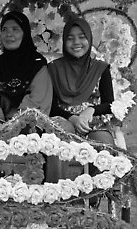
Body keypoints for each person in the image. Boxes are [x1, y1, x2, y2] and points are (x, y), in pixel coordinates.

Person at [46, 13, 115, 182]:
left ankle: (90, 197)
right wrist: (72, 118)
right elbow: (51, 105)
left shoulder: (100, 68)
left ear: (89, 39)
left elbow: (109, 103)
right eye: (70, 38)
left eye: (82, 37)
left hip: (93, 122)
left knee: (104, 146)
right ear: (64, 42)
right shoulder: (54, 69)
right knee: (57, 138)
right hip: (63, 119)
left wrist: (91, 110)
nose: (76, 43)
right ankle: (56, 195)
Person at [0, 11, 53, 134]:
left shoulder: (37, 64)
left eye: (15, 29)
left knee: (29, 129)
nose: (9, 34)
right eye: (4, 29)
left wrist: (14, 127)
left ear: (25, 34)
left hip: (27, 122)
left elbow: (38, 101)